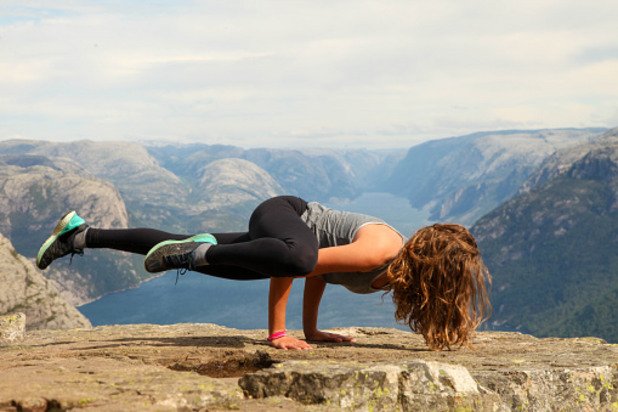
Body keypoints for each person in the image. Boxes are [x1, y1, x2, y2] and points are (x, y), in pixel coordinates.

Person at [37, 195, 491, 350]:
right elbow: (298, 265)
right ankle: (198, 254)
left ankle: (79, 235)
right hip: (284, 214)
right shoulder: (382, 251)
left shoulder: (395, 271)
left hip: (286, 243)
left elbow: (319, 274)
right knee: (291, 257)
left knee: (183, 242)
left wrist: (312, 331)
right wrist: (278, 332)